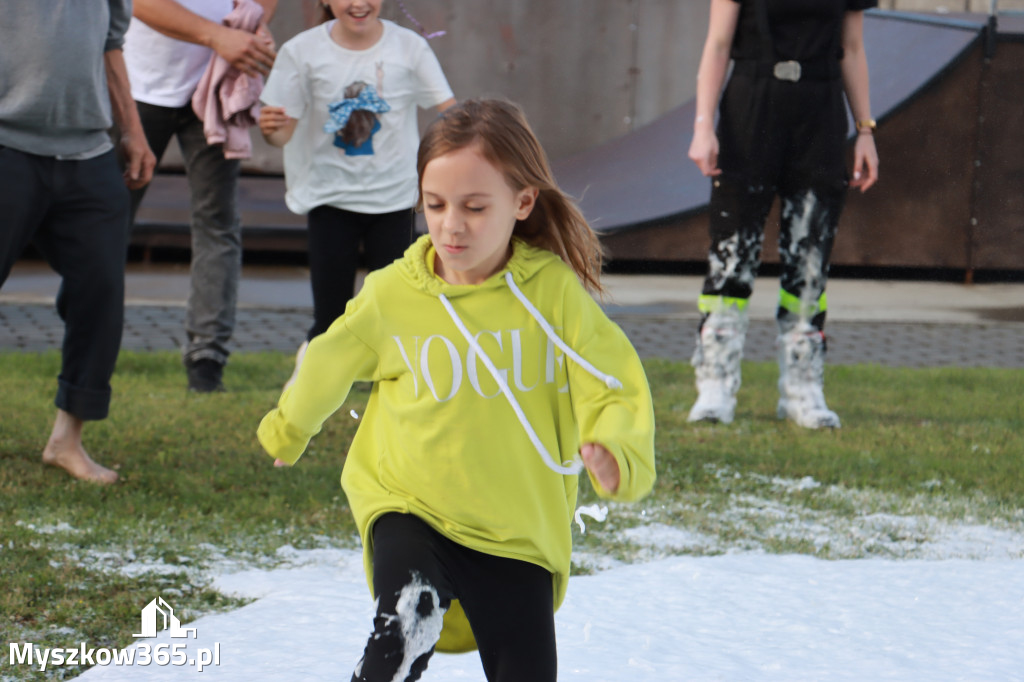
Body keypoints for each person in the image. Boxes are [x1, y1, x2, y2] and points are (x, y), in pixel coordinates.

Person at [257, 99, 656, 681]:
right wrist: (289, 426)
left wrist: (617, 452)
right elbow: (329, 360)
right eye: (435, 205)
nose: (451, 224)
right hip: (410, 504)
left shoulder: (553, 294)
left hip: (516, 528)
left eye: (474, 206)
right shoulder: (394, 294)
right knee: (401, 628)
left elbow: (610, 380)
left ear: (523, 202)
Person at [686, 0, 879, 428]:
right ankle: (715, 382)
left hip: (820, 109)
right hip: (751, 102)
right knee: (733, 251)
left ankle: (802, 386)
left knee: (809, 257)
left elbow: (852, 47)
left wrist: (865, 131)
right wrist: (703, 126)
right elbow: (718, 43)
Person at [257, 0, 455, 386]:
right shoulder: (301, 51)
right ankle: (316, 379)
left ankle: (397, 384)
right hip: (330, 198)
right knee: (331, 312)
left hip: (395, 200)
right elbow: (281, 132)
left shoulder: (410, 48)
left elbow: (450, 113)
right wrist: (270, 127)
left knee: (395, 306)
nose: (358, 3)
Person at [0, 0, 156, 483]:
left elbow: (111, 45)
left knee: (102, 288)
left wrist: (131, 129)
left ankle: (66, 441)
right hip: (6, 144)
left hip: (88, 149)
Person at [123, 0, 278, 392]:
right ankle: (89, 341)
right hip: (137, 85)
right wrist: (218, 35)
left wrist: (251, 26)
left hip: (215, 83)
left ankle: (207, 360)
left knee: (218, 223)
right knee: (108, 219)